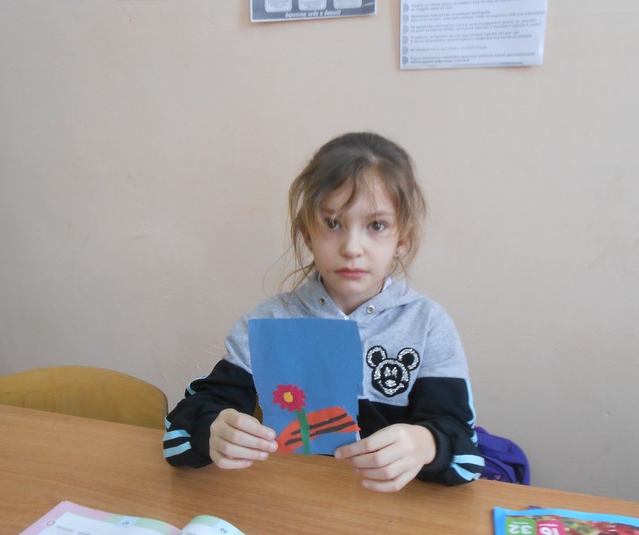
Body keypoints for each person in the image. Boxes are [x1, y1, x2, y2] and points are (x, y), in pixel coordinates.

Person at [163, 132, 483, 491]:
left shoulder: (427, 325)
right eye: (333, 223)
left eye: (376, 226)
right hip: (293, 505)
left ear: (402, 240)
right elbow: (177, 436)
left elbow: (467, 458)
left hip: (393, 514)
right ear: (307, 234)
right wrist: (213, 429)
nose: (352, 248)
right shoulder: (270, 323)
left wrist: (426, 444)